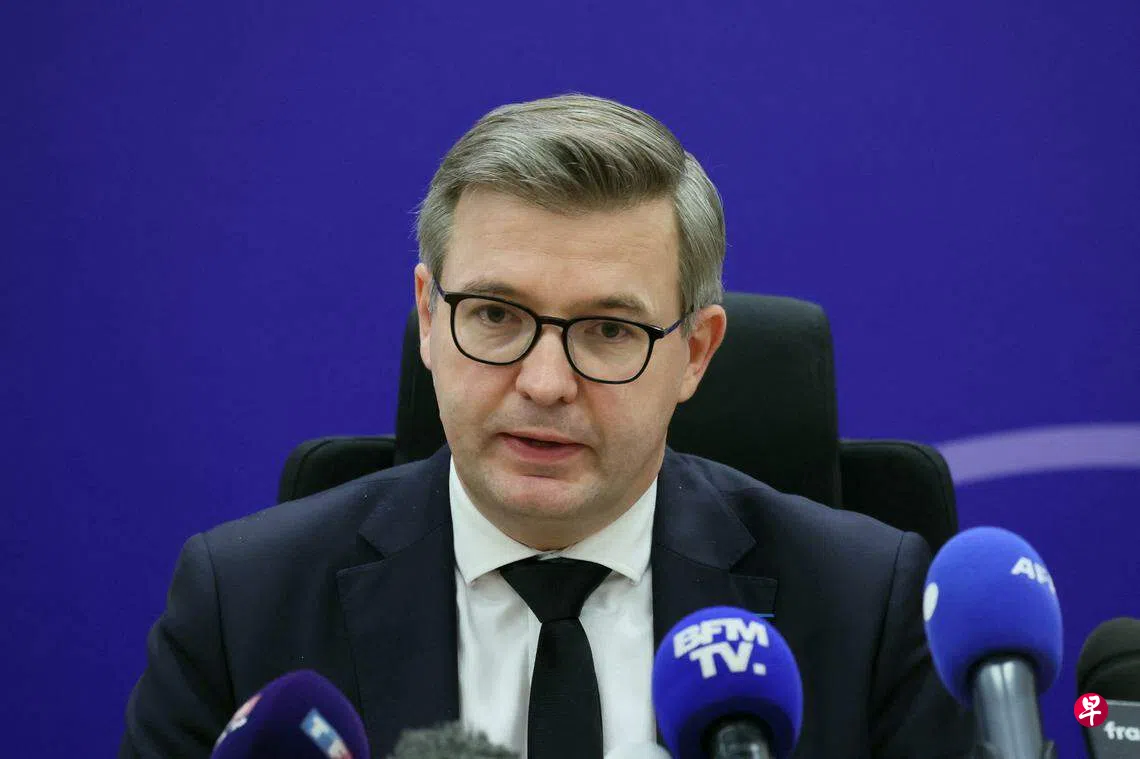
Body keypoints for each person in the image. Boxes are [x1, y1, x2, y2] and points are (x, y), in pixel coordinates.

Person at [120, 94, 974, 758]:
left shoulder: (865, 607)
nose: (545, 383)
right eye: (496, 315)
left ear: (695, 353)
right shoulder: (243, 608)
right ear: (429, 318)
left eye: (608, 330)